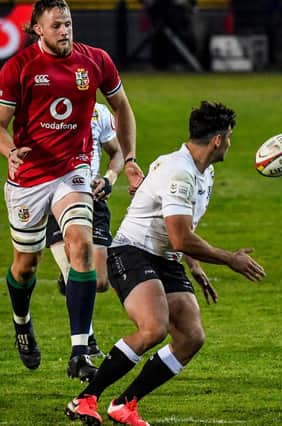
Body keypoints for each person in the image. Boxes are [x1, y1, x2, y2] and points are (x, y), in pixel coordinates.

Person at [65, 101, 266, 426]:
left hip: (166, 258)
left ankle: (125, 405)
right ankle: (84, 399)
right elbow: (181, 237)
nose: (229, 143)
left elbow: (182, 229)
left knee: (191, 337)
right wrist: (230, 259)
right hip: (132, 252)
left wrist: (195, 267)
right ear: (217, 140)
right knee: (153, 328)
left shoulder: (205, 171)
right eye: (229, 137)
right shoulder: (180, 172)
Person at [0, 0, 143, 382]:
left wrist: (127, 158)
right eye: (57, 25)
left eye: (69, 24)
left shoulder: (95, 60)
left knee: (80, 246)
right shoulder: (18, 68)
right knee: (25, 266)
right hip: (29, 179)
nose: (66, 31)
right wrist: (11, 151)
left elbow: (123, 108)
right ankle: (22, 321)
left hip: (73, 171)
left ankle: (80, 350)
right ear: (37, 30)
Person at [46, 102, 125, 358]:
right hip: (58, 197)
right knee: (74, 272)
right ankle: (84, 345)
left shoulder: (99, 112)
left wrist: (109, 180)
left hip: (93, 198)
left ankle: (71, 283)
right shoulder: (50, 105)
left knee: (99, 281)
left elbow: (117, 153)